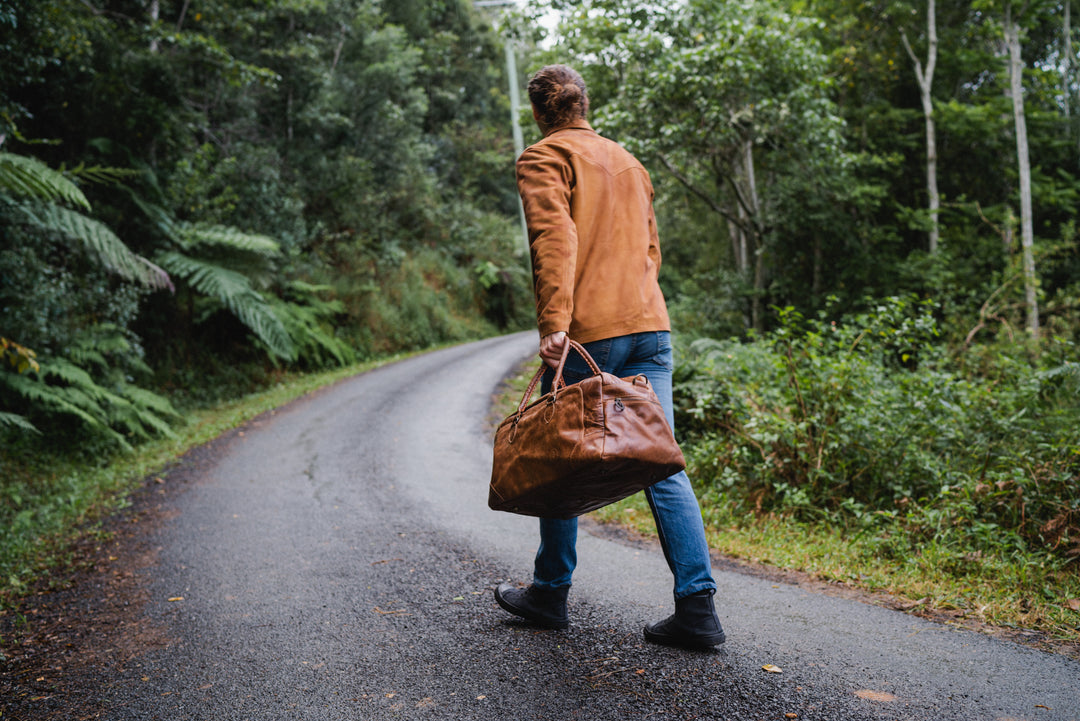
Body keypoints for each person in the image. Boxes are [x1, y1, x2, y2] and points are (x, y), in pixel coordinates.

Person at [493, 64, 725, 649]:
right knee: (660, 459)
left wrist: (554, 325)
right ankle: (697, 607)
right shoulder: (628, 161)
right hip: (650, 327)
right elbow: (651, 248)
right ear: (583, 105)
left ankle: (550, 592)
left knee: (558, 455)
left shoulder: (544, 157)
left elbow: (555, 241)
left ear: (541, 113)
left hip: (589, 332)